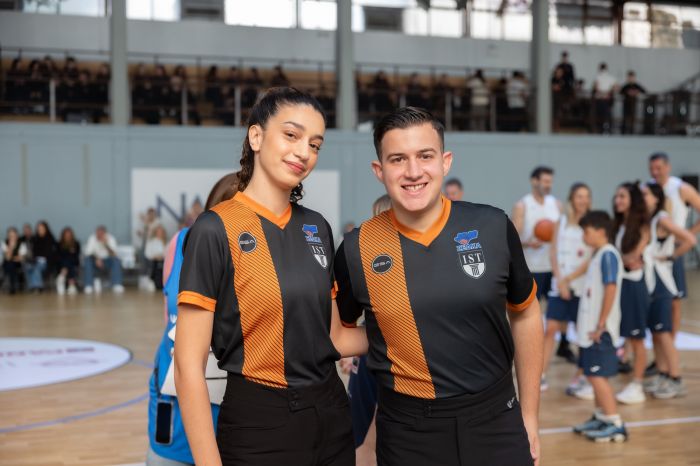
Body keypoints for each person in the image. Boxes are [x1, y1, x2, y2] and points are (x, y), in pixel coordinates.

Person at [335, 107, 542, 465]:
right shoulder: (356, 249)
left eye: (425, 156)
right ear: (379, 170)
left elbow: (526, 314)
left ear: (445, 162)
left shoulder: (492, 226)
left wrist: (530, 415)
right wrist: (395, 333)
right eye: (398, 159)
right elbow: (339, 336)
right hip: (408, 432)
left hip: (496, 420)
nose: (413, 171)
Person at [174, 87, 366, 465]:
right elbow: (187, 368)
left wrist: (413, 327)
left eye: (315, 145)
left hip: (331, 414)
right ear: (256, 137)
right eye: (291, 135)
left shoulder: (317, 227)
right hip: (259, 425)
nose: (304, 152)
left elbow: (334, 338)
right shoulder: (215, 229)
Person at [147, 173, 239, 466]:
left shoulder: (255, 255)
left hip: (231, 396)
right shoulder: (180, 243)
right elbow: (169, 312)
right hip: (176, 391)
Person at [572, 211, 627, 443]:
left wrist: (601, 324)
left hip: (600, 331)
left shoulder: (608, 255)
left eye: (587, 231)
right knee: (591, 374)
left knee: (597, 377)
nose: (583, 235)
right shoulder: (598, 254)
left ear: (601, 231)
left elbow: (611, 288)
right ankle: (601, 416)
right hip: (590, 330)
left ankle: (615, 424)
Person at [345, 194, 392, 466]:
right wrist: (352, 351)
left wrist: (369, 446)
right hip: (364, 371)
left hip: (375, 425)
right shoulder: (372, 264)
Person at [512, 168, 574, 363]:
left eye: (550, 181)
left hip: (553, 266)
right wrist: (527, 243)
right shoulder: (522, 205)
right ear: (534, 181)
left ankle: (564, 345)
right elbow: (513, 237)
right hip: (532, 267)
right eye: (545, 181)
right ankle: (526, 348)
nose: (548, 185)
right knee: (530, 312)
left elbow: (564, 234)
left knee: (561, 307)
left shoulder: (556, 204)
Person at [640, 183, 695, 399]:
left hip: (662, 283)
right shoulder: (650, 219)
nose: (642, 197)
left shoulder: (662, 219)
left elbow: (689, 239)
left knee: (663, 334)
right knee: (655, 334)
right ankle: (663, 374)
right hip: (651, 282)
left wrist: (670, 256)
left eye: (646, 194)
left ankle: (676, 378)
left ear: (656, 198)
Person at [541, 183, 593, 393]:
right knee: (550, 329)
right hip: (559, 285)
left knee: (582, 333)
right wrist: (560, 279)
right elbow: (553, 252)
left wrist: (568, 280)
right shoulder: (561, 221)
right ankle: (540, 374)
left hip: (581, 287)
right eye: (579, 196)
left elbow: (590, 259)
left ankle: (581, 375)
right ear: (571, 199)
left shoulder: (592, 223)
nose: (583, 200)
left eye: (586, 196)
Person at [648, 153, 700, 340]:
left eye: (659, 168)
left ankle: (671, 342)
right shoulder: (648, 188)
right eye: (652, 168)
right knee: (652, 298)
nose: (655, 172)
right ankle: (657, 339)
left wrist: (687, 234)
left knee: (674, 299)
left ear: (668, 167)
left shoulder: (681, 188)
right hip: (652, 250)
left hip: (671, 249)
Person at [613, 182, 650, 405]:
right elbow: (624, 258)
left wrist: (618, 259)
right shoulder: (619, 224)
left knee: (637, 339)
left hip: (635, 285)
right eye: (617, 196)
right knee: (626, 334)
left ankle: (637, 384)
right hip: (622, 283)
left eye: (622, 196)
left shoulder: (642, 227)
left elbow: (633, 257)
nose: (617, 200)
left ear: (632, 200)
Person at [83, 225, 125, 294]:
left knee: (116, 260)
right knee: (87, 260)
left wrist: (106, 244)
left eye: (101, 233)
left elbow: (114, 254)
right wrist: (96, 259)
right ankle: (88, 285)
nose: (99, 235)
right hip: (95, 261)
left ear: (105, 233)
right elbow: (88, 253)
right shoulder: (92, 238)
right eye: (98, 233)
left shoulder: (110, 238)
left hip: (107, 261)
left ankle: (117, 284)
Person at [23, 221, 57, 293]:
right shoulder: (35, 239)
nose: (40, 230)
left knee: (36, 268)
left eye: (42, 228)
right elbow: (33, 252)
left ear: (46, 229)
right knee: (28, 267)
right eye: (39, 228)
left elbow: (52, 254)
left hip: (46, 262)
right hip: (35, 260)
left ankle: (38, 287)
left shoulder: (50, 239)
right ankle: (31, 287)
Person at [592, 63, 618, 134]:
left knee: (602, 114)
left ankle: (602, 128)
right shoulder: (610, 77)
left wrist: (603, 93)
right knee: (606, 114)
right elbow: (616, 87)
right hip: (606, 98)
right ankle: (607, 128)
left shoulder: (598, 77)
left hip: (602, 98)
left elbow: (596, 87)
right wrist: (608, 93)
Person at [56, 227, 81, 295]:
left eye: (69, 234)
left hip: (73, 263)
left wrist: (69, 254)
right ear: (63, 235)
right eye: (66, 234)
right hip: (61, 264)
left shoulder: (76, 244)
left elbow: (76, 256)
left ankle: (62, 277)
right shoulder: (59, 244)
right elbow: (58, 256)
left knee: (70, 262)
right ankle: (71, 284)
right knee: (66, 261)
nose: (68, 236)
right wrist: (69, 252)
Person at [2, 227, 27, 294]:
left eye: (13, 235)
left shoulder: (22, 244)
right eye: (10, 236)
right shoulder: (4, 243)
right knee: (10, 265)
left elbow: (21, 258)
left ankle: (10, 285)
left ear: (17, 235)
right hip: (7, 264)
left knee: (11, 265)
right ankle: (12, 286)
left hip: (18, 264)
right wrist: (11, 247)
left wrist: (13, 257)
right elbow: (7, 257)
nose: (12, 237)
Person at [145, 225, 169, 291]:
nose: (160, 233)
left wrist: (163, 256)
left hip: (164, 261)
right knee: (156, 264)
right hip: (154, 261)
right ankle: (153, 281)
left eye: (161, 232)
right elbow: (147, 253)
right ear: (155, 233)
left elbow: (169, 253)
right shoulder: (151, 242)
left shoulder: (167, 242)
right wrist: (155, 256)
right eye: (158, 232)